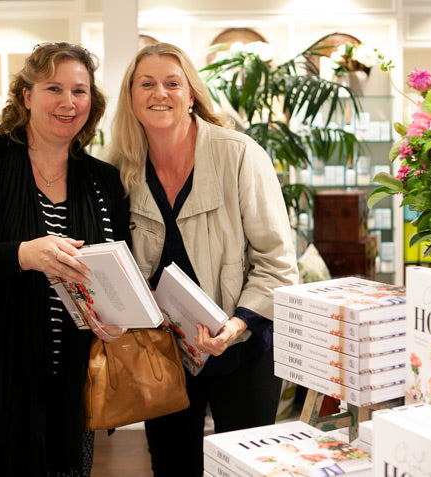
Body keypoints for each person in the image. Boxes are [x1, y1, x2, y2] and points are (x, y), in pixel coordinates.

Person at [106, 42, 299, 476]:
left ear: (191, 93)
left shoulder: (239, 154)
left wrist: (236, 325)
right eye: (147, 83)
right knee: (173, 466)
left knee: (245, 467)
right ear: (132, 97)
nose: (161, 93)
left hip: (243, 349)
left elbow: (277, 262)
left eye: (173, 83)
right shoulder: (120, 168)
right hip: (165, 356)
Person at [0, 42, 130, 476]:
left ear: (92, 102)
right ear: (26, 96)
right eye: (54, 88)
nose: (68, 102)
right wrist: (21, 255)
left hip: (68, 393)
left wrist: (115, 315)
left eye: (80, 91)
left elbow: (118, 272)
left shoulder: (103, 181)